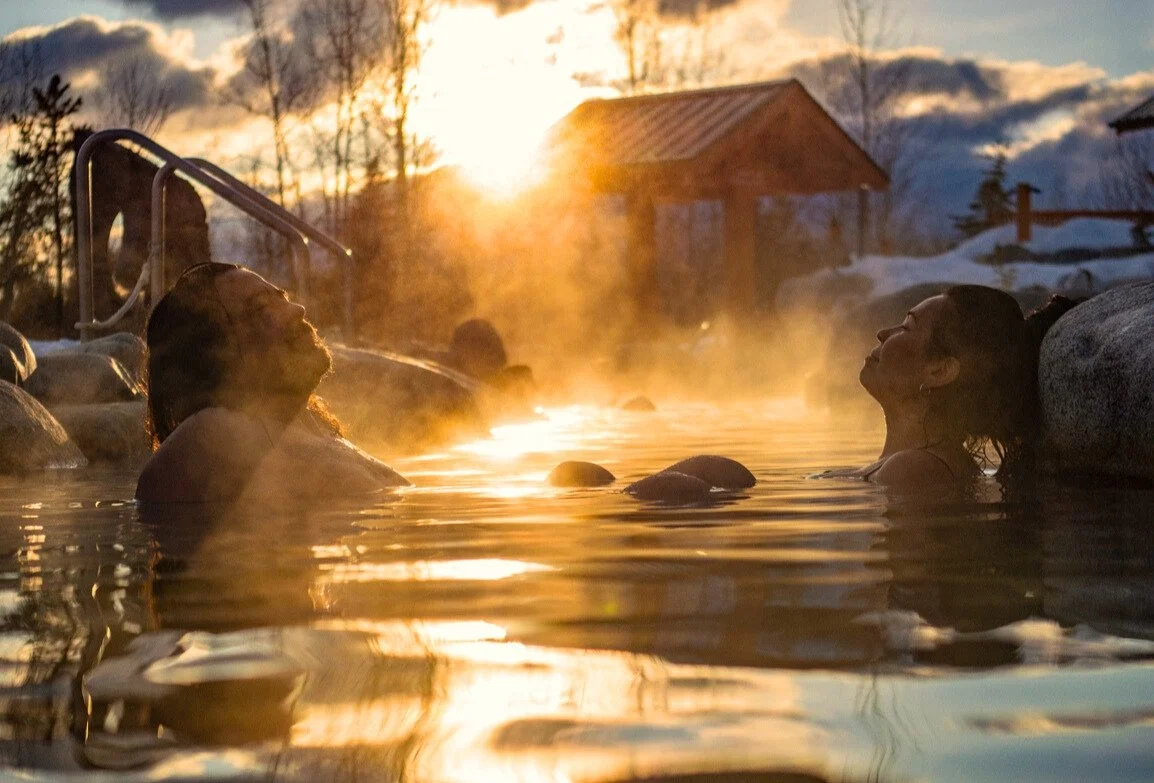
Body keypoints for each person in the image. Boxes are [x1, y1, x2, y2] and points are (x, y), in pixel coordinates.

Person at [136, 262, 408, 502]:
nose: (296, 310)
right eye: (261, 308)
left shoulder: (314, 431)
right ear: (213, 354)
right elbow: (158, 497)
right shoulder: (215, 433)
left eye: (282, 297)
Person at [838, 284, 1078, 487]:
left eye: (906, 327)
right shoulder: (910, 464)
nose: (882, 333)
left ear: (940, 371)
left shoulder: (914, 470)